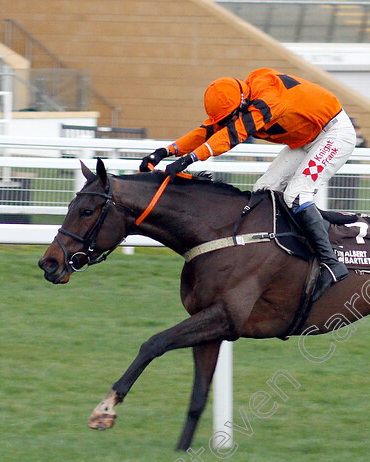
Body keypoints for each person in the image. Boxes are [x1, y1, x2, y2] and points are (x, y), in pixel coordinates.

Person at [139, 68, 353, 300]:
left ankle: (331, 264)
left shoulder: (267, 100)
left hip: (334, 135)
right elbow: (208, 131)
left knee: (297, 195)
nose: (226, 122)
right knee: (264, 191)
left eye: (229, 117)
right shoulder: (241, 99)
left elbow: (232, 135)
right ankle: (284, 254)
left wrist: (189, 160)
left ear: (241, 105)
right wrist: (166, 151)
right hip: (306, 138)